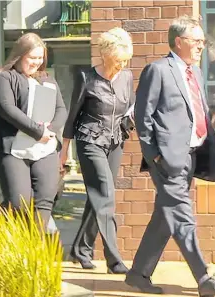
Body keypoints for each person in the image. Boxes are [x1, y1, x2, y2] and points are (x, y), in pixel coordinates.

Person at [125, 15, 215, 297]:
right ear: (179, 41)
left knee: (165, 215)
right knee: (183, 217)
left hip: (191, 155)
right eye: (197, 41)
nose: (201, 47)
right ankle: (204, 277)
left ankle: (138, 274)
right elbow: (142, 116)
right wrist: (155, 156)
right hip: (167, 159)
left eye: (202, 42)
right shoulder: (157, 70)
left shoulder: (194, 72)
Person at [61, 27, 135, 274]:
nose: (122, 65)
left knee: (99, 198)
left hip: (115, 142)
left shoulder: (127, 77)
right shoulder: (86, 78)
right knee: (105, 195)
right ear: (105, 56)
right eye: (118, 61)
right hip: (89, 140)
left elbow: (130, 106)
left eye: (125, 60)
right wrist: (64, 153)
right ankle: (114, 259)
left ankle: (80, 249)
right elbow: (71, 118)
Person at [0, 33, 67, 231]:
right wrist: (37, 131)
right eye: (32, 57)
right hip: (13, 149)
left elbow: (61, 109)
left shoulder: (47, 79)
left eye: (40, 58)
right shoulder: (3, 78)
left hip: (44, 149)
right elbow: (7, 108)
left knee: (44, 204)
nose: (36, 62)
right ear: (20, 55)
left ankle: (37, 253)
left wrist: (50, 130)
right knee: (19, 203)